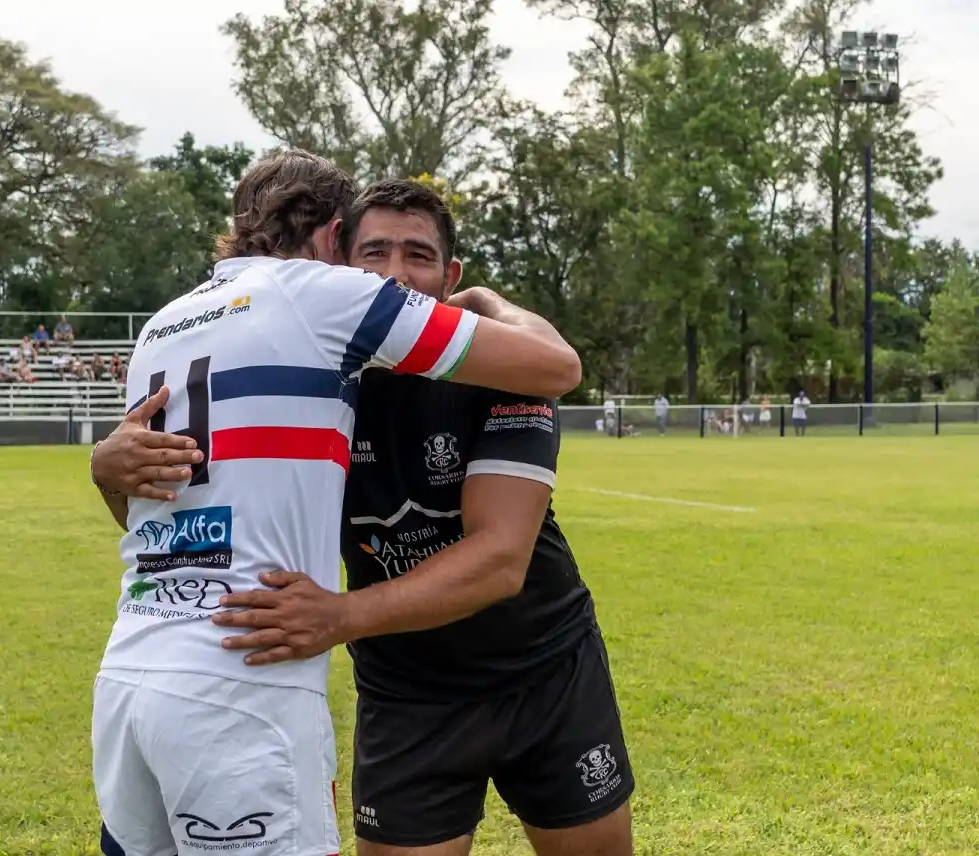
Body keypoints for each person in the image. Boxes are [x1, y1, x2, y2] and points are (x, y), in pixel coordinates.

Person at [92, 179, 631, 856]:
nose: (394, 273)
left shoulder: (501, 371)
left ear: (450, 275)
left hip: (545, 668)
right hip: (407, 690)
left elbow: (500, 558)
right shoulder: (304, 370)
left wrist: (340, 616)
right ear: (340, 265)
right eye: (373, 252)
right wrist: (110, 467)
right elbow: (179, 517)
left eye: (418, 256)